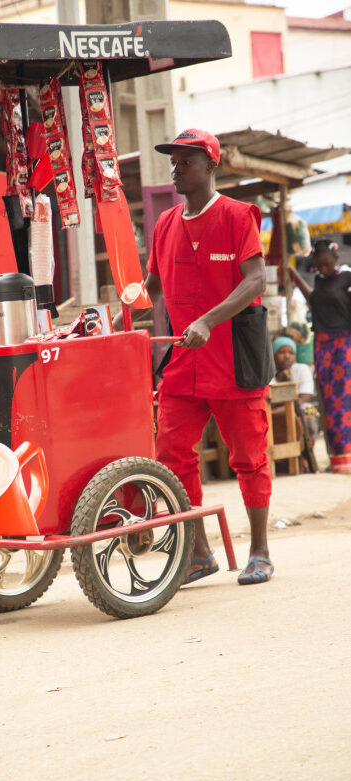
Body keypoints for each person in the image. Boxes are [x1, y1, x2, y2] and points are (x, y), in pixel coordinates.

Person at [114, 128, 273, 585]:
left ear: (210, 166)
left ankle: (259, 551)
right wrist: (127, 302)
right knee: (171, 454)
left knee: (249, 456)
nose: (176, 168)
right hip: (184, 359)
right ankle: (199, 551)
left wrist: (208, 319)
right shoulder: (164, 224)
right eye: (173, 161)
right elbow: (155, 287)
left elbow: (255, 280)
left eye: (186, 161)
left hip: (233, 357)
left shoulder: (239, 215)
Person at [288, 239, 351, 472]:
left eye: (326, 264)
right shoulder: (318, 282)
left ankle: (347, 456)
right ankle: (337, 457)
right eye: (319, 265)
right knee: (327, 401)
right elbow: (312, 300)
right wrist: (294, 275)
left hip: (344, 344)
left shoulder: (347, 278)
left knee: (344, 400)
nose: (323, 269)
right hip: (322, 345)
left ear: (336, 259)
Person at [272, 336, 319, 442]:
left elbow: (304, 398)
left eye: (291, 353)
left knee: (309, 410)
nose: (287, 356)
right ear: (274, 355)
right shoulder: (269, 375)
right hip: (273, 413)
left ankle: (308, 448)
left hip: (296, 409)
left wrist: (277, 411)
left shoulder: (302, 369)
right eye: (282, 352)